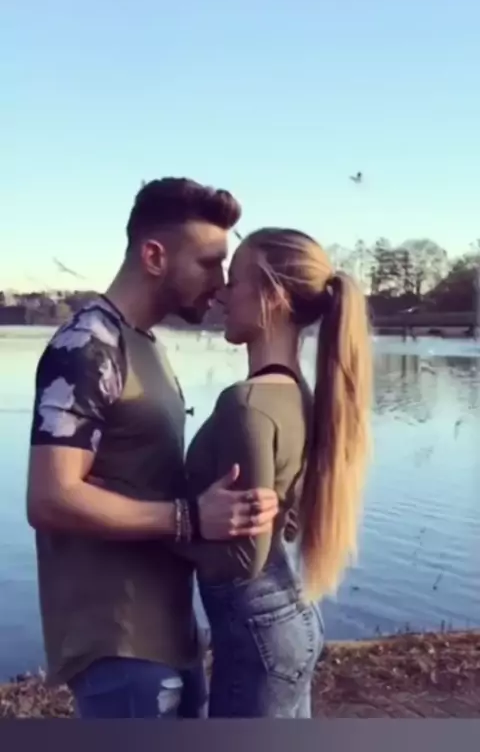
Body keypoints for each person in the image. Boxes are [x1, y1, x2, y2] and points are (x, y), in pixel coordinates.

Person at [25, 178, 279, 720]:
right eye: (209, 263)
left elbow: (147, 476)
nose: (220, 283)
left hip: (172, 636)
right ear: (155, 256)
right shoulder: (87, 347)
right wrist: (191, 517)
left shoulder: (144, 345)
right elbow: (50, 498)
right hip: (119, 644)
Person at [171, 227, 373, 717]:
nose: (221, 294)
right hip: (287, 617)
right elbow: (286, 521)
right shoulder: (300, 396)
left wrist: (170, 525)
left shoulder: (247, 404)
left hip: (260, 636)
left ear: (274, 298)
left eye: (235, 281)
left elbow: (245, 558)